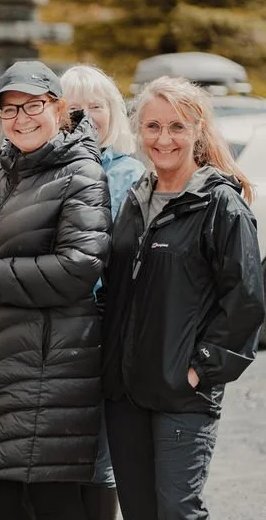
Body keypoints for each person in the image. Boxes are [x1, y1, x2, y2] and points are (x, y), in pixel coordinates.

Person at [0, 60, 110, 520]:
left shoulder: (81, 174)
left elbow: (79, 266)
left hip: (45, 383)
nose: (21, 118)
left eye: (33, 105)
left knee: (53, 508)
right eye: (9, 110)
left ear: (58, 108)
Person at [102, 76, 265, 520]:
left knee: (176, 511)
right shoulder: (136, 200)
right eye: (153, 127)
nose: (164, 138)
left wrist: (198, 371)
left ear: (198, 130)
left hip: (181, 395)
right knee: (138, 511)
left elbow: (246, 302)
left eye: (176, 126)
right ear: (140, 132)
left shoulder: (220, 205)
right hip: (125, 394)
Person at [61, 64, 145, 520]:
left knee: (99, 453)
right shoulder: (47, 168)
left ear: (114, 113)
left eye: (98, 106)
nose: (89, 116)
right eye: (76, 109)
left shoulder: (130, 176)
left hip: (104, 320)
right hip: (54, 323)